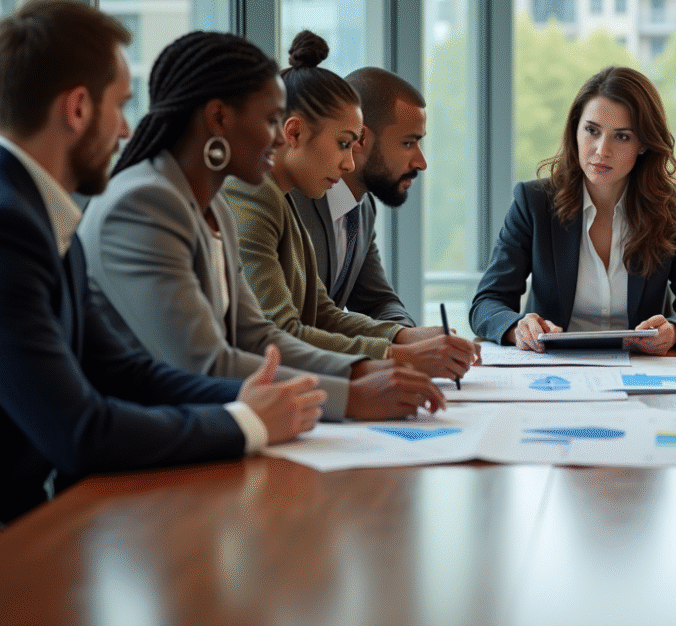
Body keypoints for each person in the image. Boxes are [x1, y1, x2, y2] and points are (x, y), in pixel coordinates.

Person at [0, 0, 326, 523]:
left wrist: (243, 396)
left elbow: (122, 371)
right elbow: (79, 431)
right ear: (77, 108)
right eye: (120, 106)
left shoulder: (39, 216)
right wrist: (245, 420)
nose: (127, 131)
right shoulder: (11, 227)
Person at [79, 29, 445, 422]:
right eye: (271, 120)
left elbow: (258, 337)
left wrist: (362, 369)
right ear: (219, 118)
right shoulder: (144, 205)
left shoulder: (213, 209)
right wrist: (352, 394)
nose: (280, 137)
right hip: (146, 446)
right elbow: (204, 362)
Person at [223, 31, 477, 379]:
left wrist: (405, 337)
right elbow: (280, 331)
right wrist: (398, 355)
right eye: (344, 143)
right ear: (294, 134)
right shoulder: (263, 196)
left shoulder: (290, 200)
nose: (348, 163)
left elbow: (324, 311)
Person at [470, 65, 676, 354]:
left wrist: (675, 331)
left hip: (641, 369)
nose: (602, 150)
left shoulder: (674, 205)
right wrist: (517, 329)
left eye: (622, 136)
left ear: (643, 144)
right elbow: (486, 303)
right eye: (591, 131)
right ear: (574, 131)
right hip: (553, 371)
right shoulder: (534, 202)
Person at [288, 67, 422, 327]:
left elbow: (379, 302)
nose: (421, 162)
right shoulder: (290, 201)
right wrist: (397, 345)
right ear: (360, 138)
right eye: (408, 143)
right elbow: (300, 324)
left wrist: (409, 337)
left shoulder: (362, 208)